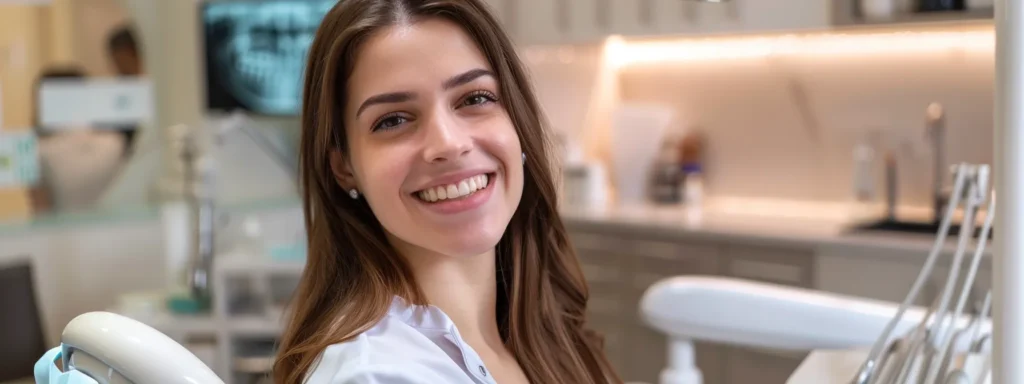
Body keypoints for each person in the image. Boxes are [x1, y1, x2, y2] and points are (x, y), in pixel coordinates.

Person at [273, 0, 620, 383]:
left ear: (518, 121)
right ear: (345, 168)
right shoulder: (377, 375)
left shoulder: (535, 334)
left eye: (475, 99)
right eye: (393, 120)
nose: (449, 144)